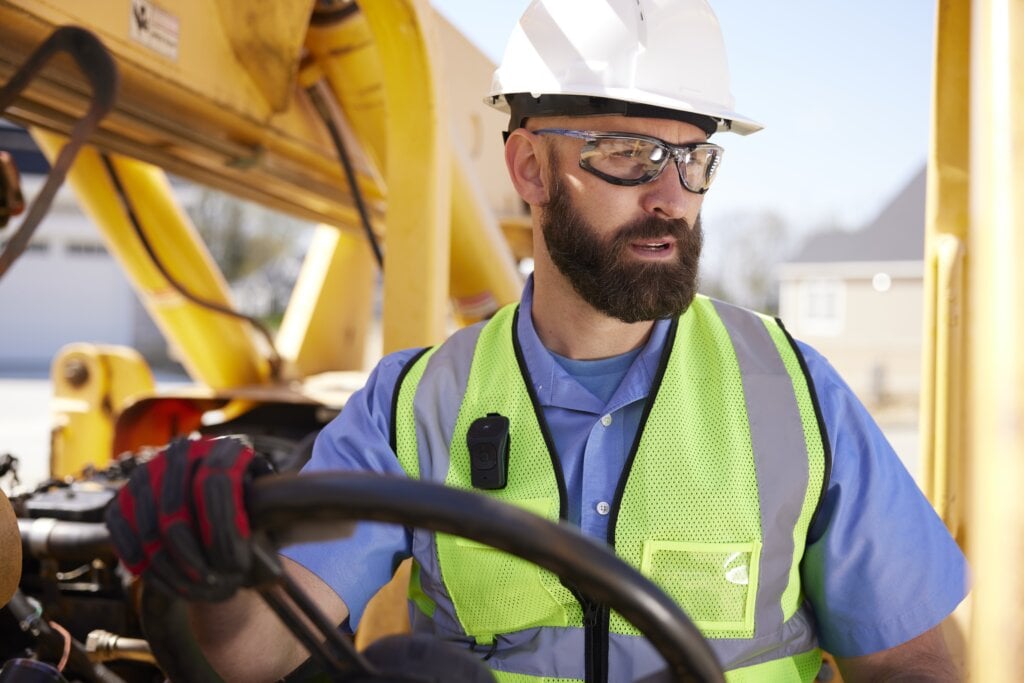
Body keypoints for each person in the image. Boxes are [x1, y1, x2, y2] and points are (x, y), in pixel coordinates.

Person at [105, 0, 968, 681]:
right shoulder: (414, 409)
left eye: (694, 158)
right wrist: (204, 568)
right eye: (630, 153)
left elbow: (917, 664)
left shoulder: (795, 394)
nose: (670, 196)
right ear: (528, 168)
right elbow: (248, 656)